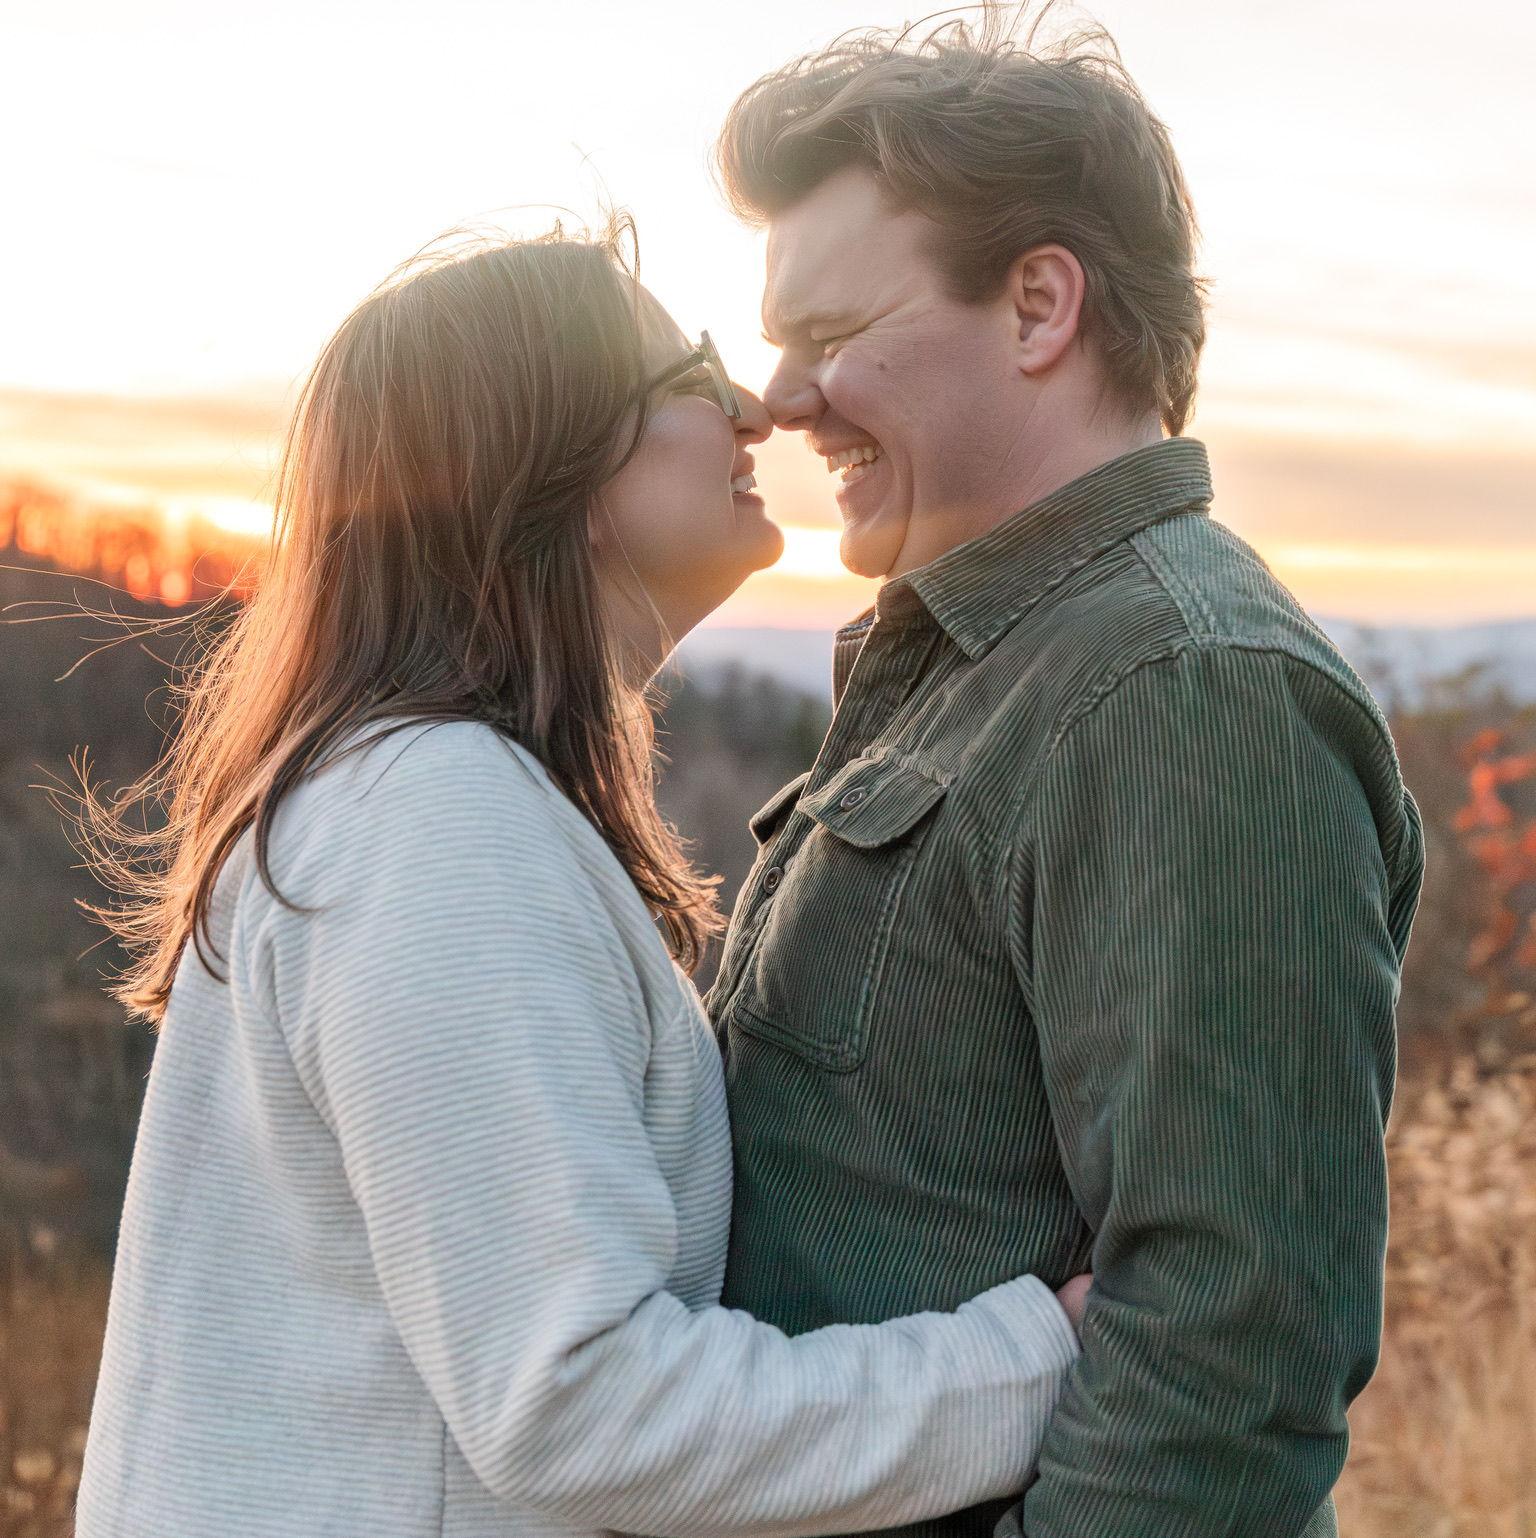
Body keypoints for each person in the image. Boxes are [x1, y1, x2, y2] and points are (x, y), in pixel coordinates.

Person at [72, 227, 1089, 1538]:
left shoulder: (407, 796)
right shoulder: (433, 822)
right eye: (695, 365)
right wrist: (1025, 1362)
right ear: (562, 462)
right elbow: (578, 1399)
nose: (754, 405)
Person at [707, 12, 1424, 1538]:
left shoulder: (1184, 693)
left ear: (1039, 304)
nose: (779, 395)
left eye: (829, 335)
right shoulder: (987, 663)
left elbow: (1225, 1370)